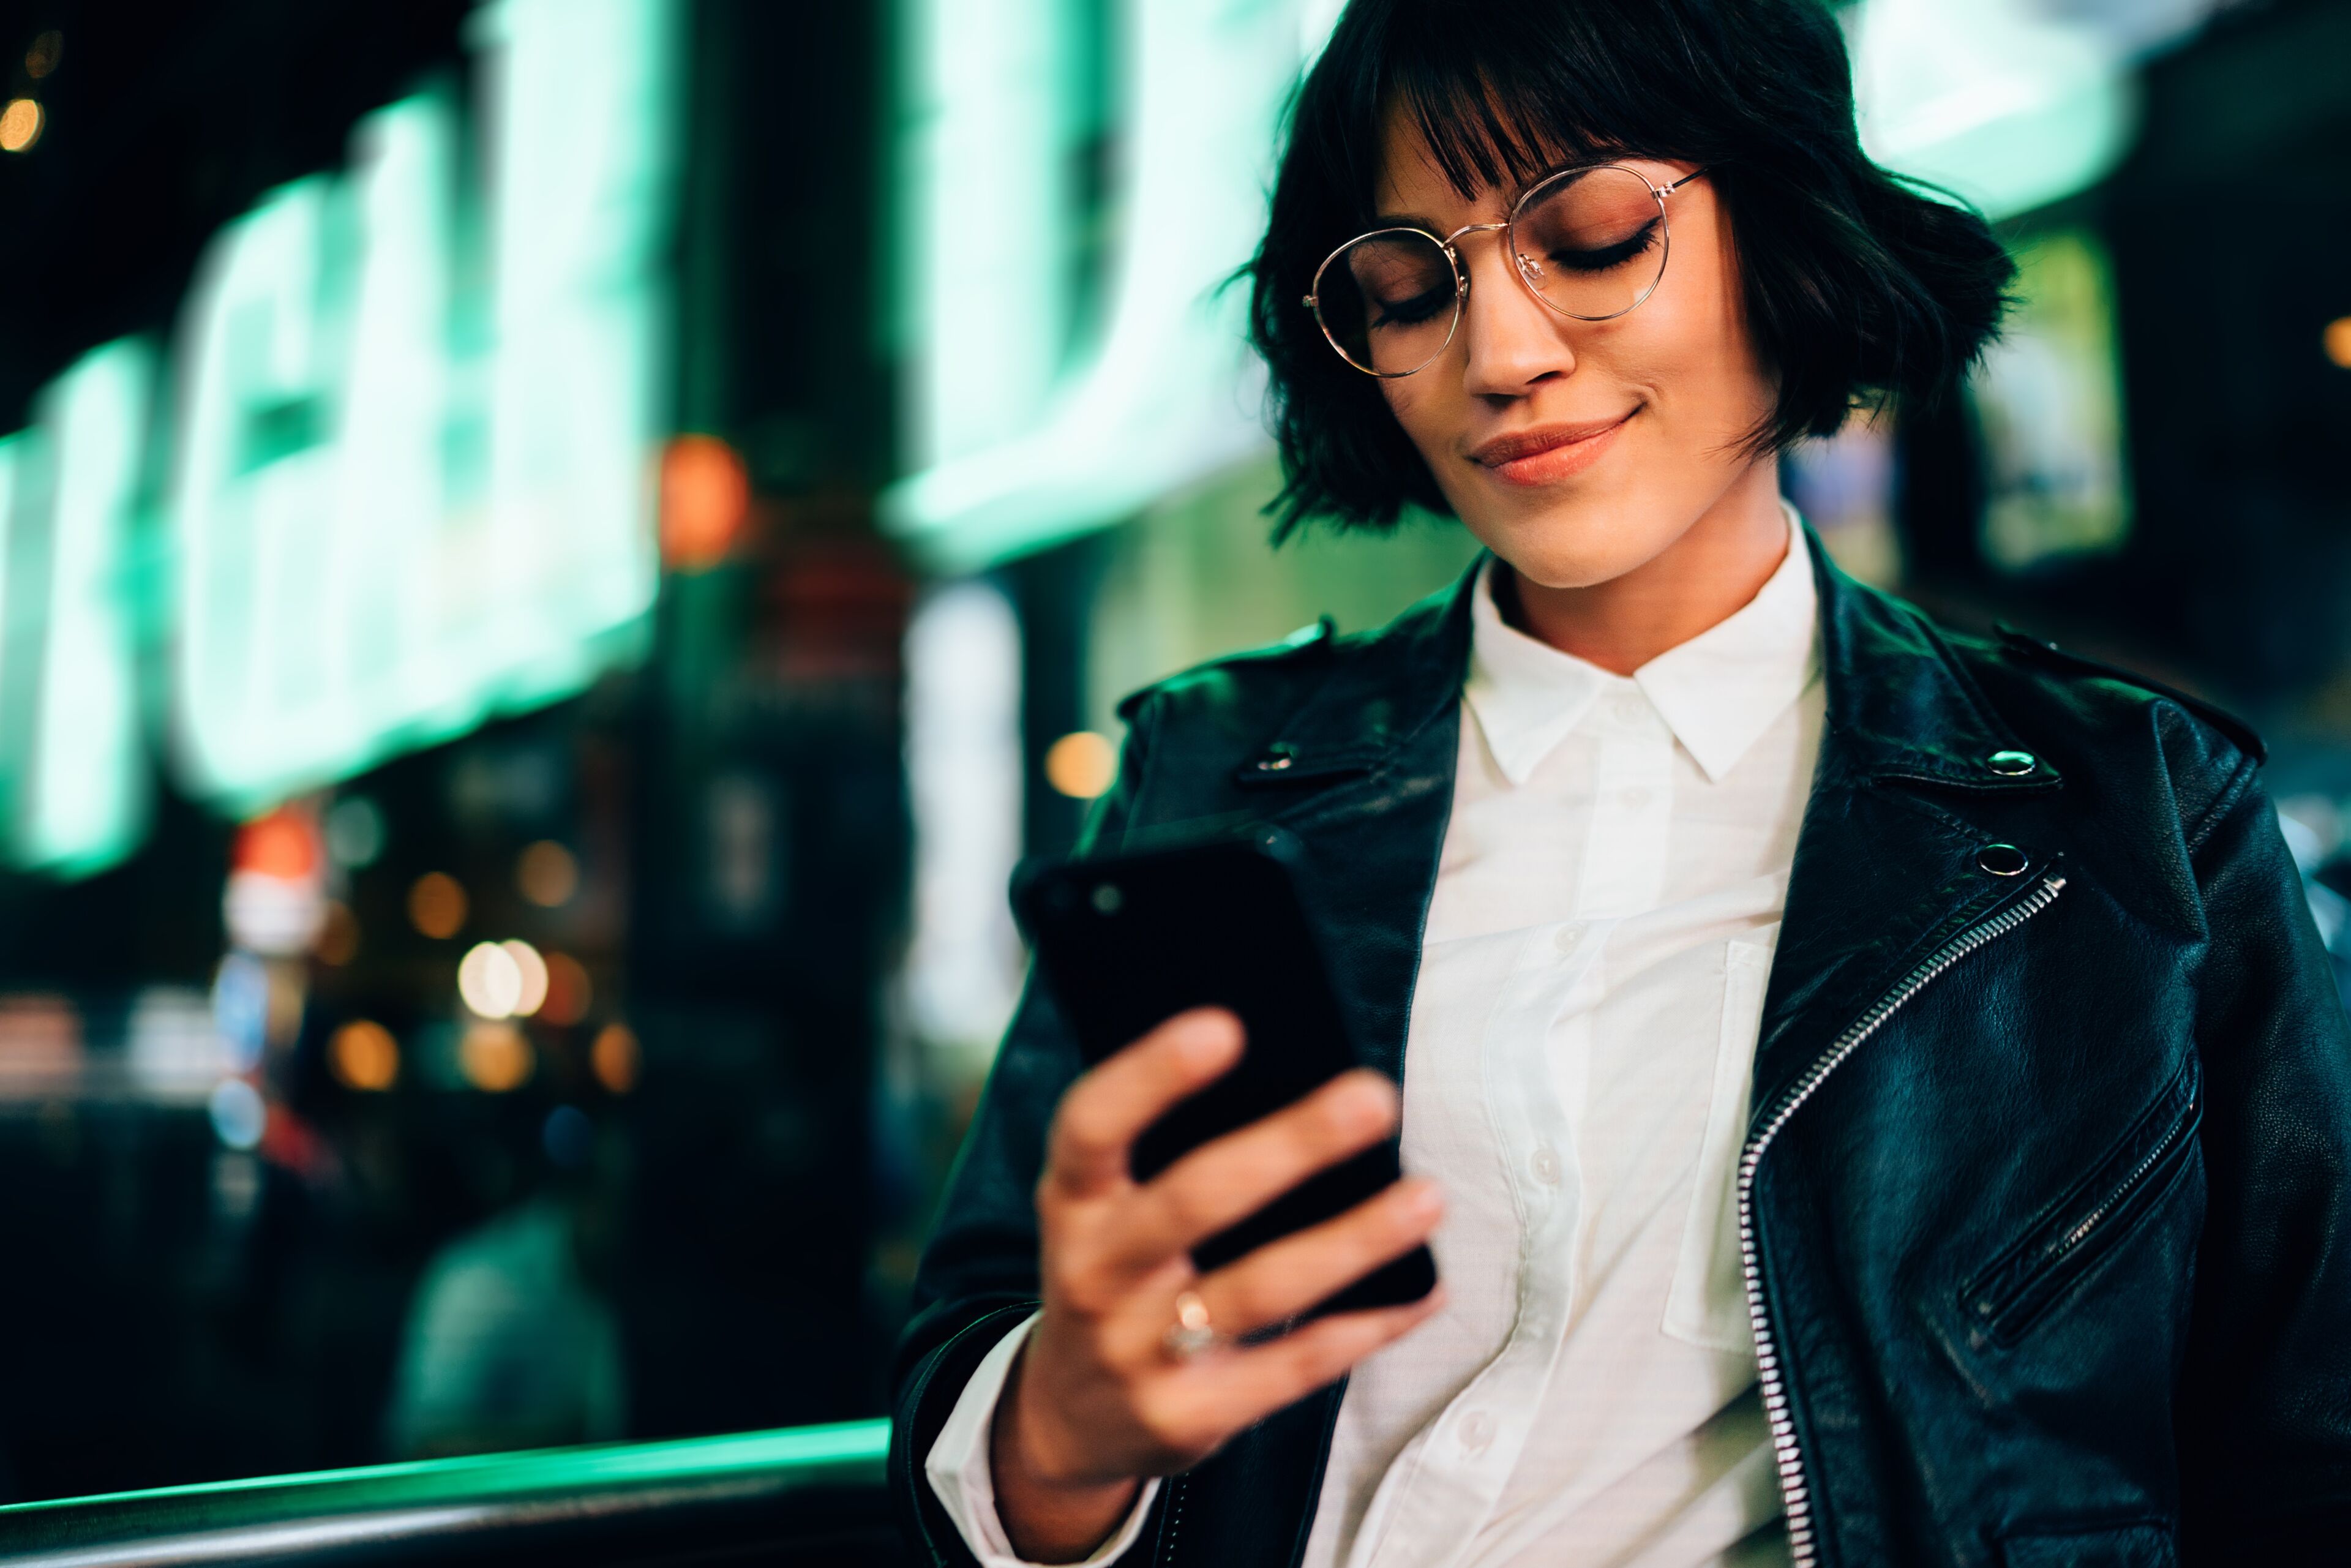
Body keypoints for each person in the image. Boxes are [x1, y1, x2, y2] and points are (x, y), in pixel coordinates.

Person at [890, 0, 2351, 1562]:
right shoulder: (1207, 777)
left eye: (1588, 236)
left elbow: (2307, 1465)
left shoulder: (2132, 814)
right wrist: (1062, 1430)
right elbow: (981, 1385)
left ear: (1785, 223)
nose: (1501, 357)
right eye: (1407, 284)